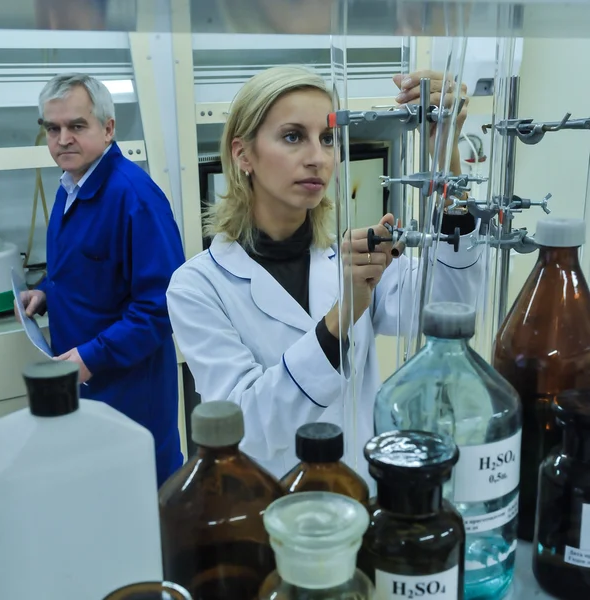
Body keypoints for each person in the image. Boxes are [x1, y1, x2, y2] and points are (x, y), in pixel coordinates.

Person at [166, 65, 481, 480]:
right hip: (273, 515)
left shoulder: (347, 256)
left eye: (328, 138)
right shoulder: (198, 286)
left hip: (362, 500)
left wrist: (446, 159)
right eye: (293, 136)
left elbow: (452, 305)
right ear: (243, 155)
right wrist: (341, 314)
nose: (318, 157)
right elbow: (246, 428)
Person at [18, 73, 186, 487]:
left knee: (146, 503)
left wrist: (89, 359)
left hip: (130, 393)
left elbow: (161, 309)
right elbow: (89, 272)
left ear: (108, 128)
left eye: (76, 126)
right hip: (88, 386)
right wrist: (47, 293)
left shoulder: (135, 198)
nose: (62, 139)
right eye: (52, 129)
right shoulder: (70, 186)